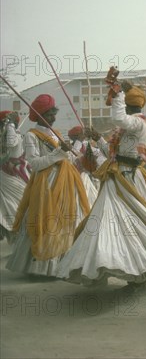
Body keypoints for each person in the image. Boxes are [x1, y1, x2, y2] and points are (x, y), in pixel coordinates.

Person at [57, 82, 146, 295]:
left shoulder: (137, 123)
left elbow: (117, 119)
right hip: (116, 178)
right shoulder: (129, 128)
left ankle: (138, 277)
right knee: (106, 224)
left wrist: (118, 93)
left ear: (128, 107)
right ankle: (106, 269)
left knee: (128, 227)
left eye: (123, 105)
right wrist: (97, 138)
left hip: (126, 179)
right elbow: (114, 153)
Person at [6, 95, 90, 277]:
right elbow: (35, 164)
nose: (52, 117)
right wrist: (59, 152)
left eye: (53, 113)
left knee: (64, 222)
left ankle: (62, 265)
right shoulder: (31, 135)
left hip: (66, 181)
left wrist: (76, 143)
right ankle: (41, 269)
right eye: (49, 114)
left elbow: (69, 156)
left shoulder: (56, 133)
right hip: (46, 183)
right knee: (45, 221)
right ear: (40, 115)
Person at [0, 111, 29, 241]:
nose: (17, 123)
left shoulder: (8, 135)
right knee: (18, 203)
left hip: (16, 172)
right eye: (15, 121)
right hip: (8, 175)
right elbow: (11, 143)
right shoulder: (8, 134)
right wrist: (10, 124)